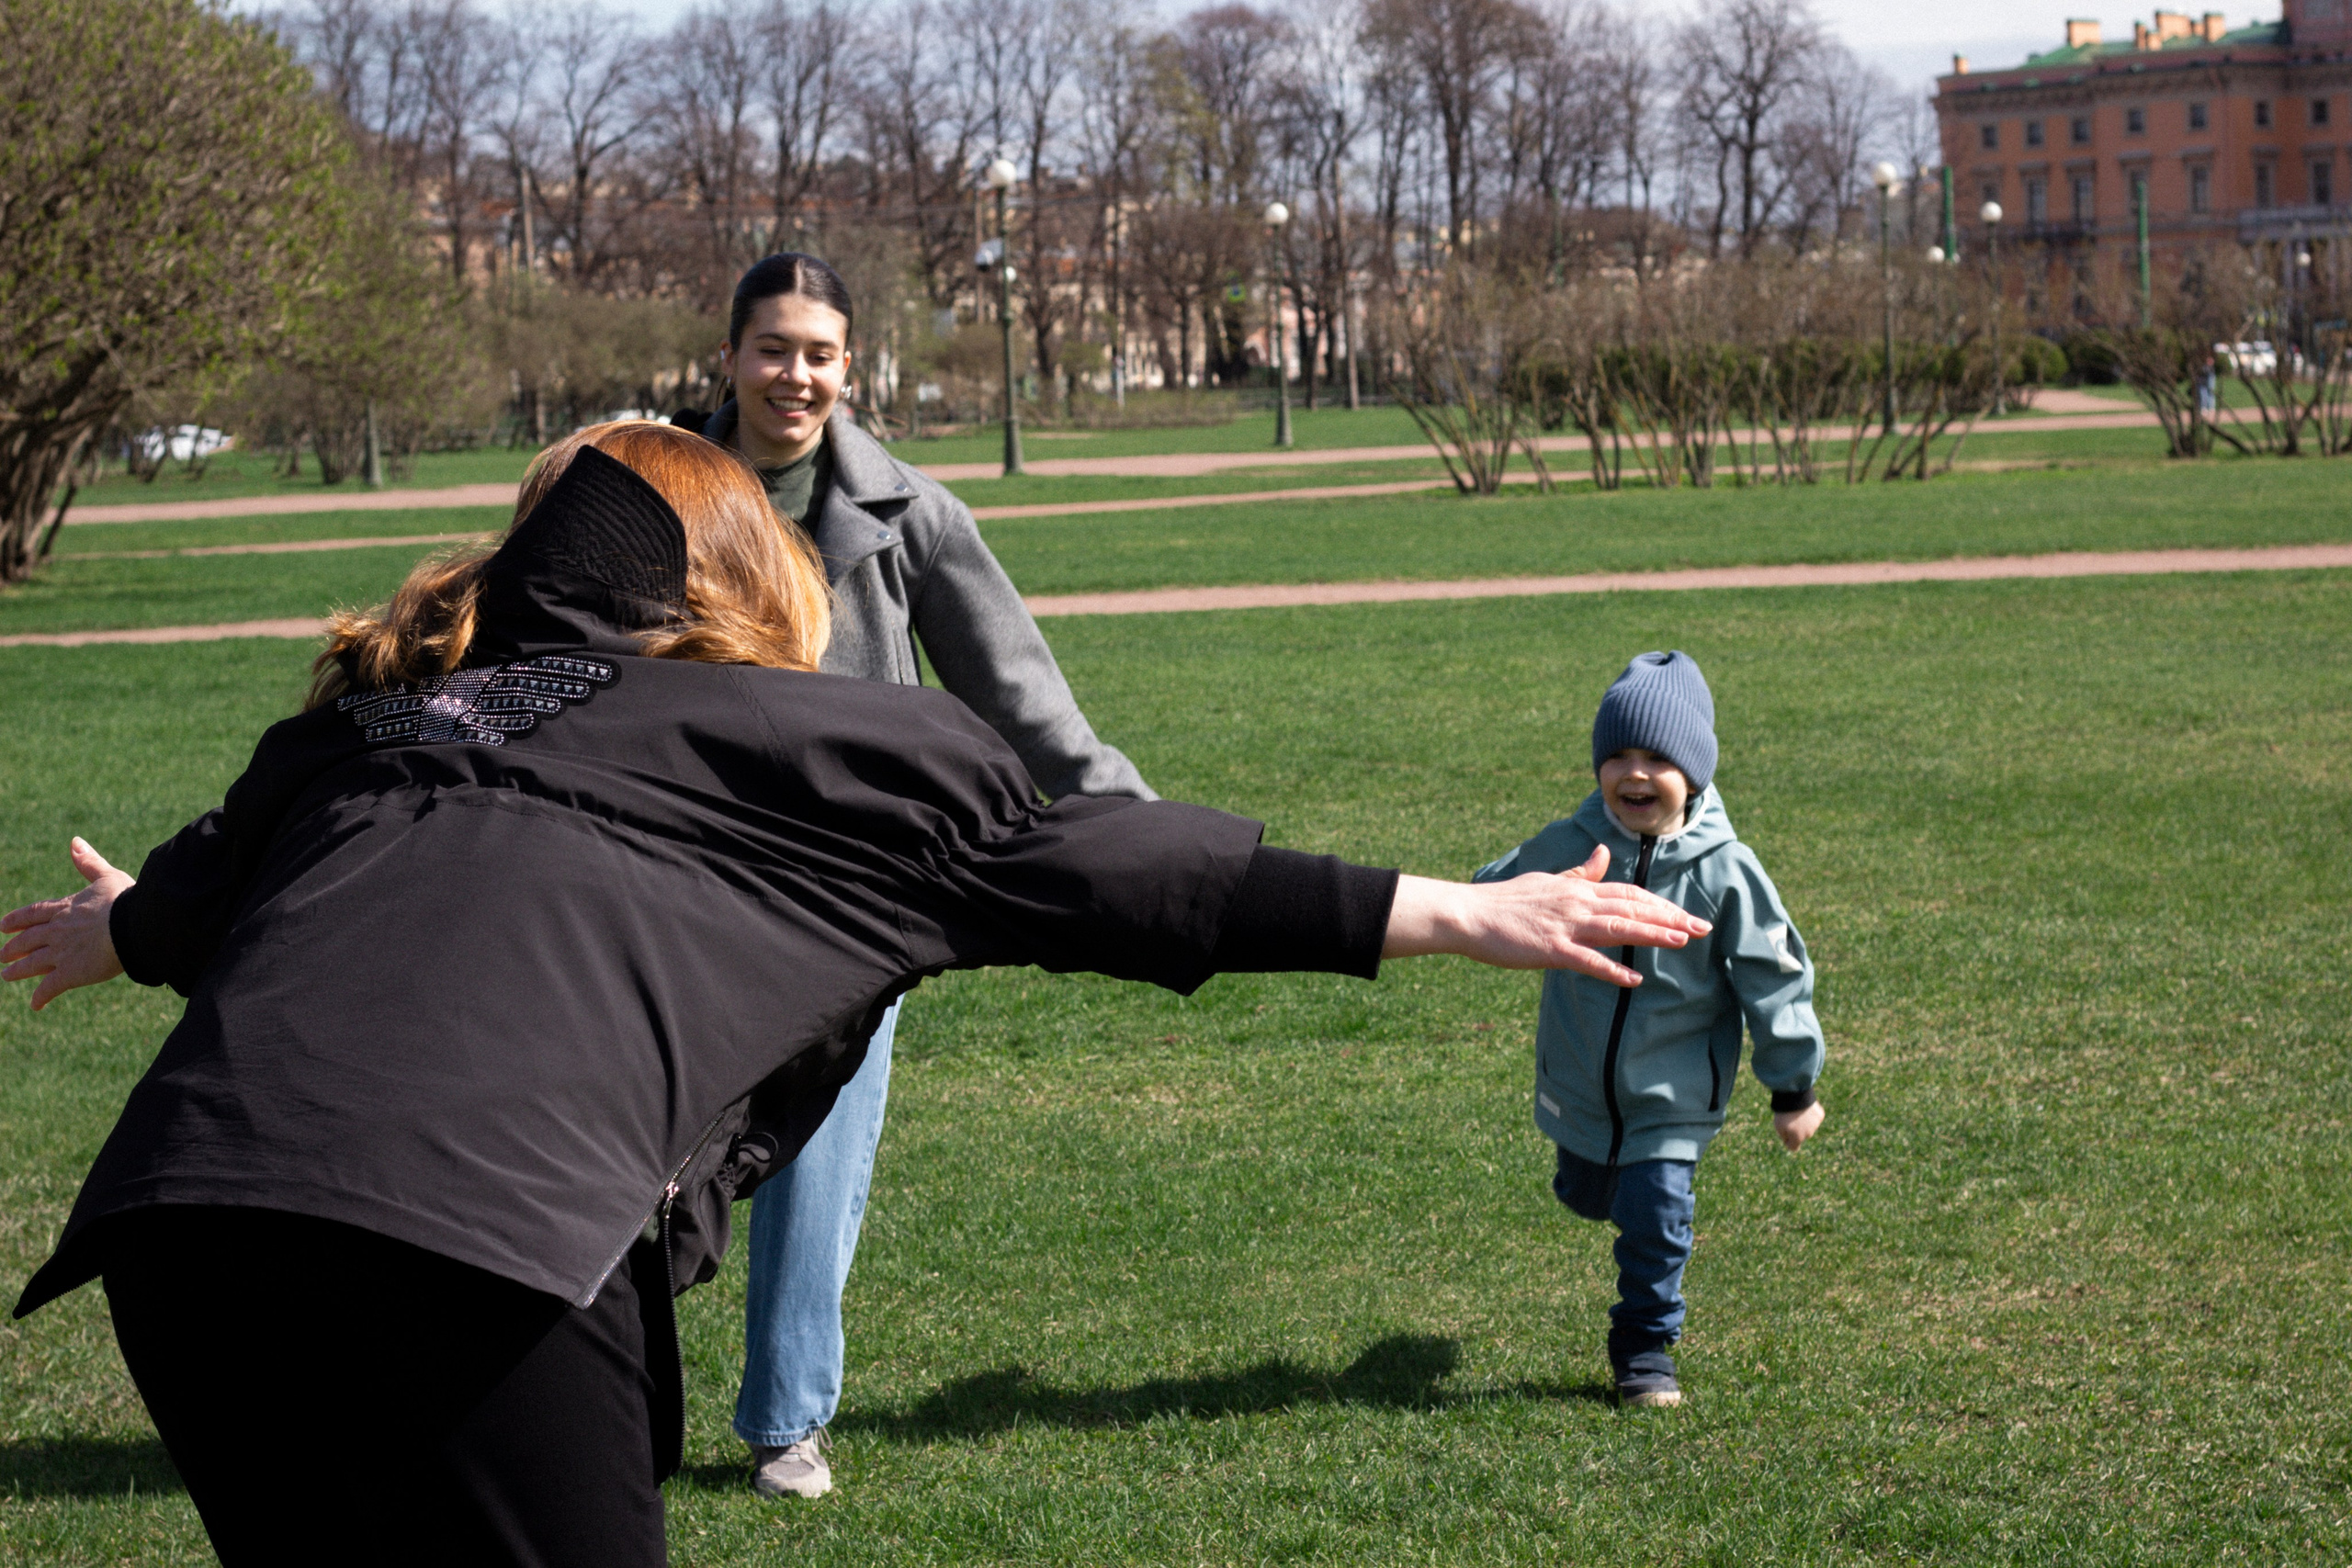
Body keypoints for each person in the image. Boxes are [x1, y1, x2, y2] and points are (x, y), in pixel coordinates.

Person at [0, 422, 1711, 1568]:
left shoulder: (378, 725)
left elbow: (215, 885)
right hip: (478, 1232)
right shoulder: (810, 744)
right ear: (746, 583)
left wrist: (124, 935)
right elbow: (1112, 868)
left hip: (185, 1229)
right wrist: (1451, 911)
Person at [670, 253, 1147, 1499]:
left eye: (820, 352)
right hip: (675, 876)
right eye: (775, 347)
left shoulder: (910, 514)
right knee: (632, 1145)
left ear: (849, 365)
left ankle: (787, 1423)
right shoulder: (647, 495)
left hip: (852, 893)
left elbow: (1026, 699)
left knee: (816, 1157)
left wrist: (1141, 827)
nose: (797, 374)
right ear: (730, 356)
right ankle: (612, 1398)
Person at [1473, 651, 1826, 1410]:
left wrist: (1793, 1086)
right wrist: (1490, 900)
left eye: (1658, 758)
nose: (1636, 773)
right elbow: (1491, 895)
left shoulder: (1726, 869)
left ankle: (1644, 1351)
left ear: (1693, 772)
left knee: (1655, 1218)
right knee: (1588, 1191)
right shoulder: (1576, 842)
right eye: (1619, 756)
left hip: (1672, 1094)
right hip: (1580, 1082)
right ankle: (1605, 1180)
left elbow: (1775, 972)